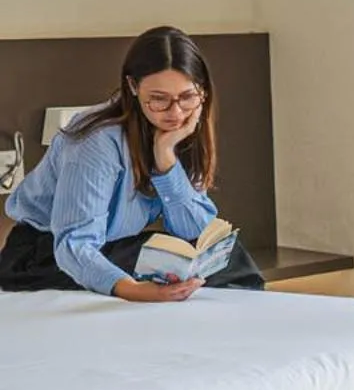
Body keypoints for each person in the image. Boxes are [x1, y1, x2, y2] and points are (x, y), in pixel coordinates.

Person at [0, 26, 262, 299]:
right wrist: (134, 290)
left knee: (232, 259)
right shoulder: (96, 141)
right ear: (133, 87)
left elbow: (194, 231)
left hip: (114, 247)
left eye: (187, 97)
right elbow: (74, 244)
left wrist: (166, 160)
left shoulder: (179, 132)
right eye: (159, 99)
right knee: (153, 264)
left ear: (203, 92)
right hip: (44, 256)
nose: (175, 112)